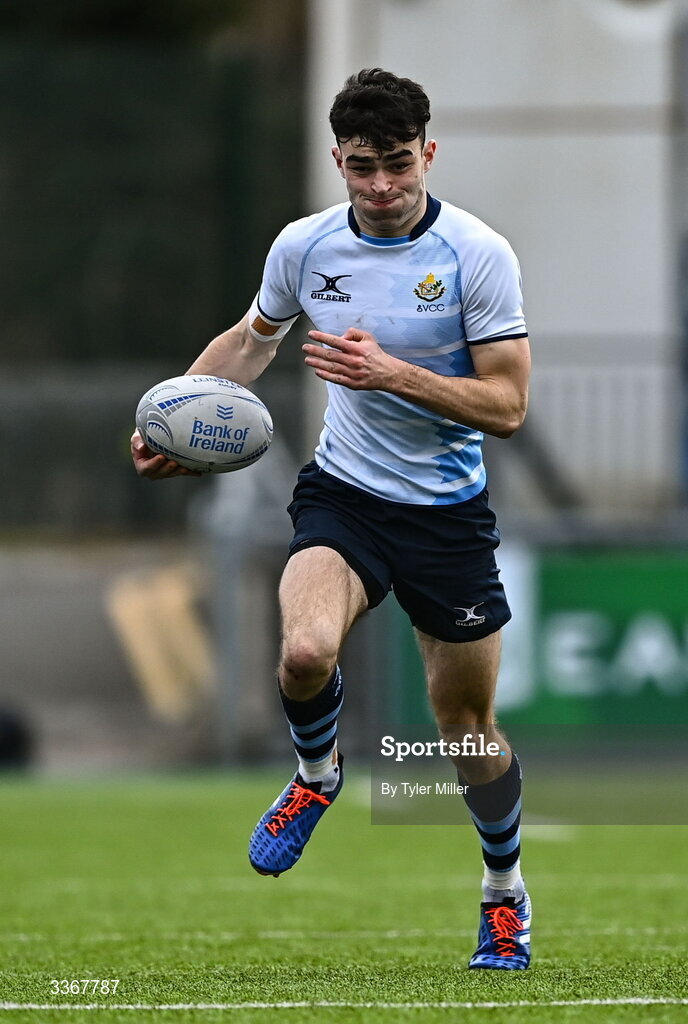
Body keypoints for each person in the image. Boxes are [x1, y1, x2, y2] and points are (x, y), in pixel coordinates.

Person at [131, 68, 532, 970]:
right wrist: (174, 417)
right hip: (344, 496)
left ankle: (502, 895)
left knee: (466, 729)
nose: (382, 186)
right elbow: (250, 341)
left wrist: (394, 374)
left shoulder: (477, 255)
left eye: (398, 163)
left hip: (447, 516)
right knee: (306, 652)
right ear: (337, 161)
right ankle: (318, 777)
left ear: (428, 153)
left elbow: (506, 407)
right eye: (362, 167)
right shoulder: (305, 248)